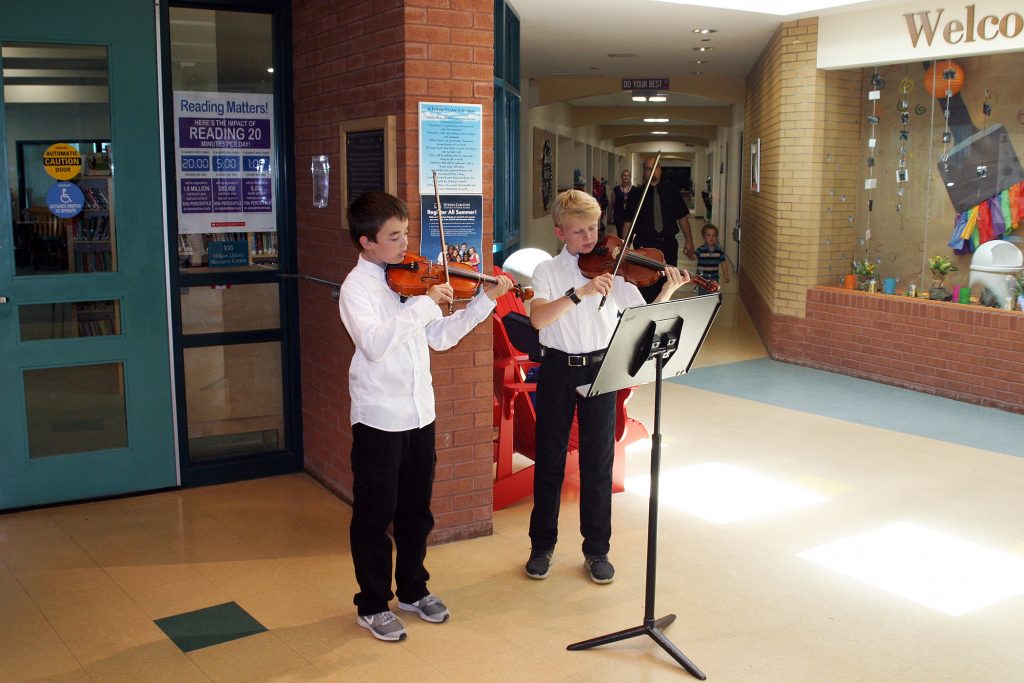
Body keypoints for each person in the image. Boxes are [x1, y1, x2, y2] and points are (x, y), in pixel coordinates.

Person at [338, 191, 512, 642]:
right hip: (379, 416)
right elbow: (375, 344)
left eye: (406, 233)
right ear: (366, 243)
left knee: (416, 511)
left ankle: (413, 590)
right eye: (393, 237)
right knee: (375, 516)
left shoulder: (410, 281)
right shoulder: (357, 289)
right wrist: (424, 304)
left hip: (420, 412)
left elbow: (438, 339)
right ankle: (372, 603)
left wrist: (483, 303)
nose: (404, 245)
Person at [524, 189, 689, 584]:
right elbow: (539, 320)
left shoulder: (614, 270)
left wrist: (667, 289)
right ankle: (541, 546)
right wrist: (578, 293)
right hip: (558, 370)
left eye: (594, 228)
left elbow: (643, 317)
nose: (589, 238)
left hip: (601, 370)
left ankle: (597, 550)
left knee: (598, 463)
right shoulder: (548, 270)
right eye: (579, 231)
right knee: (549, 461)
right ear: (560, 232)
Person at [631, 157, 696, 302]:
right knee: (646, 283)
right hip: (645, 245)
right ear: (644, 172)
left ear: (660, 170)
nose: (652, 171)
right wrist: (624, 244)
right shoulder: (636, 194)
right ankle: (648, 309)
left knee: (669, 280)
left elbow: (682, 217)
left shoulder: (672, 191)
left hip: (668, 244)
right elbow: (628, 222)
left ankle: (663, 308)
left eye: (655, 167)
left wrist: (689, 241)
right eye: (648, 168)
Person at [695, 223, 730, 294]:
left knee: (713, 294)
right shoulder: (700, 250)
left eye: (714, 235)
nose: (711, 238)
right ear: (704, 238)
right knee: (702, 294)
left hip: (714, 278)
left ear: (716, 237)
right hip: (702, 278)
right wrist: (689, 254)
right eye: (708, 235)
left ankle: (712, 304)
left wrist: (726, 275)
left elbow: (723, 262)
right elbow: (693, 256)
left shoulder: (719, 251)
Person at [608, 169, 639, 239]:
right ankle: (622, 248)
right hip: (619, 215)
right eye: (624, 175)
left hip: (631, 216)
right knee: (620, 234)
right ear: (621, 177)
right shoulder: (616, 189)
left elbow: (637, 204)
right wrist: (609, 216)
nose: (626, 177)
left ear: (630, 177)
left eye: (628, 176)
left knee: (630, 235)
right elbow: (612, 203)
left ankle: (628, 247)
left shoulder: (635, 190)